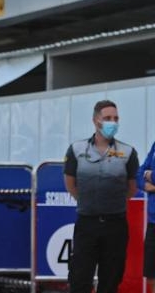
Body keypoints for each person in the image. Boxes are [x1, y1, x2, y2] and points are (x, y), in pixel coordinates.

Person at [63, 99, 139, 293]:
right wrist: (87, 202)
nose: (112, 122)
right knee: (80, 279)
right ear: (96, 120)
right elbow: (70, 183)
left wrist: (112, 203)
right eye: (107, 118)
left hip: (116, 224)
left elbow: (131, 187)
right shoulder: (77, 149)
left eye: (115, 118)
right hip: (87, 223)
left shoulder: (128, 152)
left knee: (111, 280)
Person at [136, 141, 155, 293]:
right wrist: (144, 182)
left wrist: (150, 174)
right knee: (152, 273)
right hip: (153, 221)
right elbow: (139, 173)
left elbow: (147, 172)